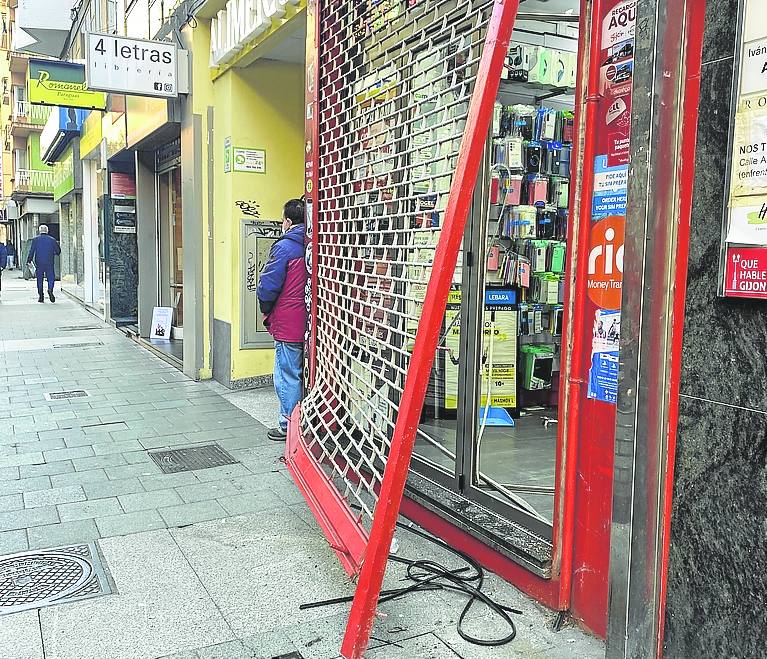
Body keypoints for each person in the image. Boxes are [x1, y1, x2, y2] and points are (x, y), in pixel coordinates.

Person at [257, 198, 308, 441]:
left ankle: (288, 426)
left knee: (287, 374)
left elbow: (268, 286)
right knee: (303, 373)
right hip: (313, 322)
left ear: (287, 221)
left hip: (289, 322)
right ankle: (305, 422)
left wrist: (265, 308)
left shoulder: (285, 247)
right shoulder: (315, 243)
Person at [26, 224, 61, 303]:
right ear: (47, 231)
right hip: (49, 262)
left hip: (39, 262)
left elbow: (31, 251)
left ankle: (41, 296)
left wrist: (29, 260)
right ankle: (50, 289)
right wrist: (53, 253)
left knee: (39, 279)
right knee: (51, 277)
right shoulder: (52, 240)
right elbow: (58, 251)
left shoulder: (35, 240)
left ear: (39, 231)